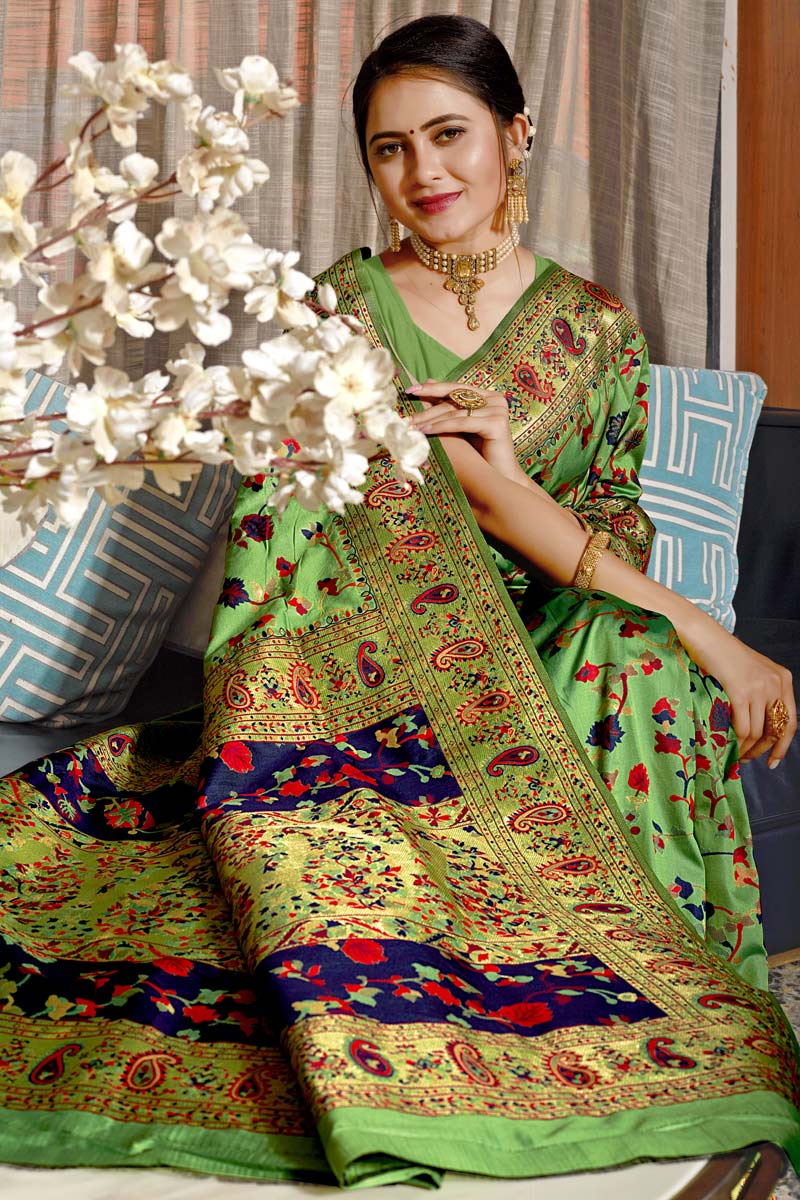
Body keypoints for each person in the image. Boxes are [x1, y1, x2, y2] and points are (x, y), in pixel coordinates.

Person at [0, 13, 798, 1191]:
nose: (422, 171)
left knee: (632, 660)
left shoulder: (595, 330)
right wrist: (707, 627)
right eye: (389, 147)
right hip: (364, 668)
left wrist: (567, 530)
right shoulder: (344, 307)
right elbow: (447, 500)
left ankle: (637, 988)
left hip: (549, 646)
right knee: (652, 646)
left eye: (447, 134)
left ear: (514, 135)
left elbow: (608, 527)